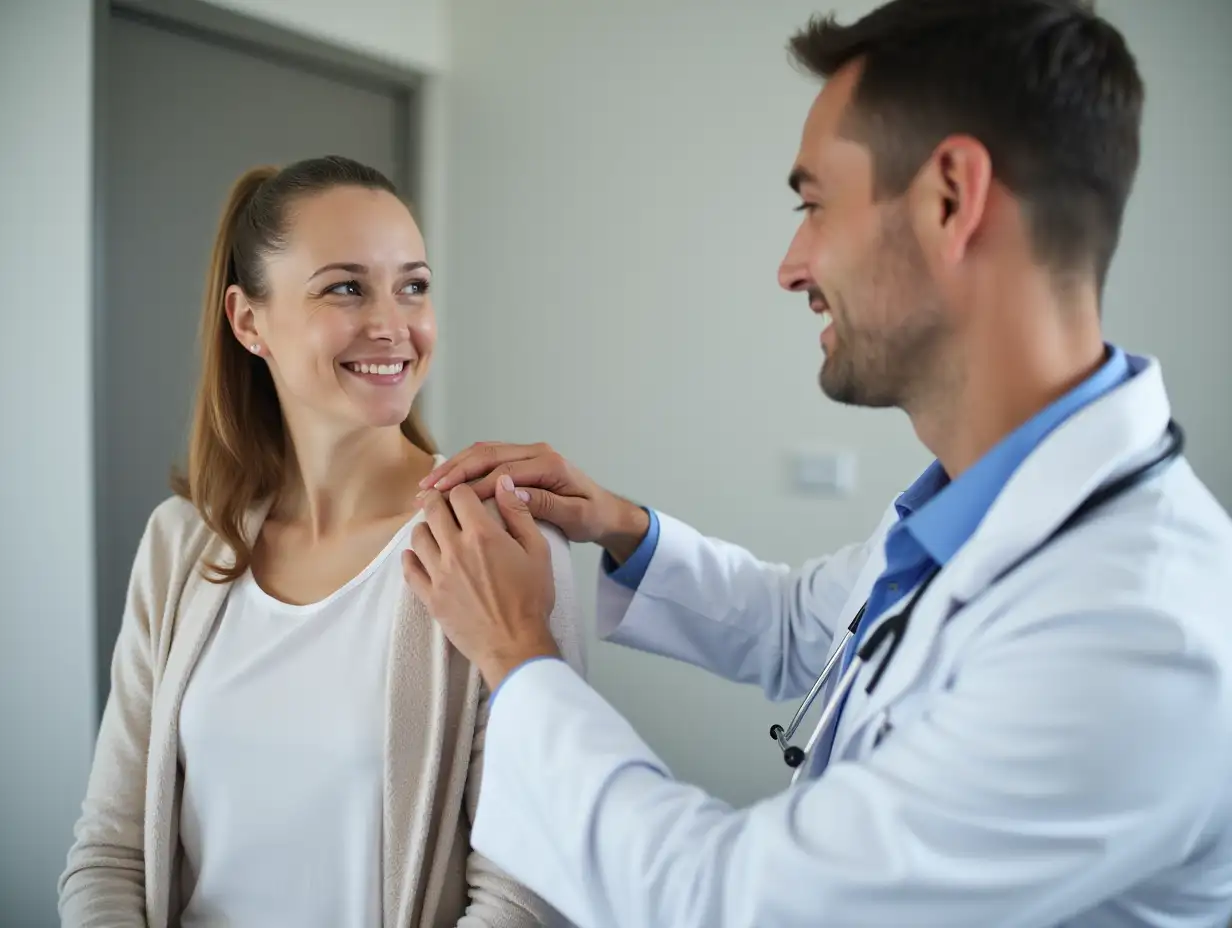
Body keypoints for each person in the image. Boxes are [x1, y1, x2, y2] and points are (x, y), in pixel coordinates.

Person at [400, 2, 1232, 926]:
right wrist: (623, 528)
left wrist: (521, 659)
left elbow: (733, 906)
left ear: (952, 197)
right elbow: (809, 626)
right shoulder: (986, 501)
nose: (791, 267)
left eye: (814, 205)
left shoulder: (1134, 633)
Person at [58, 156, 582, 927]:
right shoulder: (180, 546)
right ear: (248, 322)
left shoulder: (500, 544)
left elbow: (527, 891)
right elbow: (111, 850)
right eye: (345, 286)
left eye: (413, 285)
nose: (392, 324)